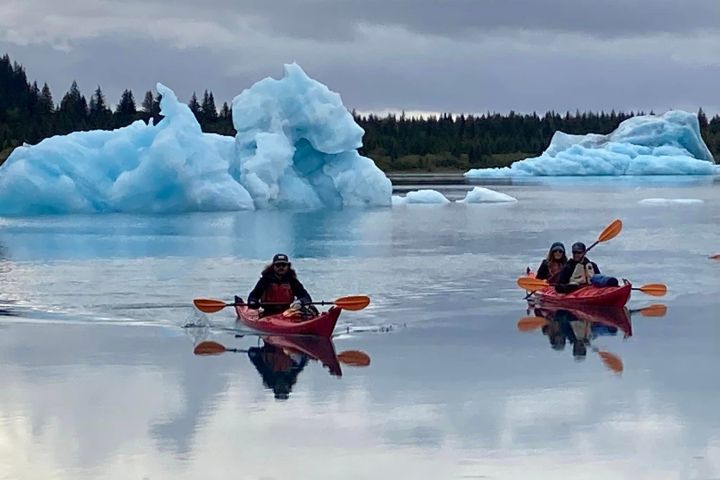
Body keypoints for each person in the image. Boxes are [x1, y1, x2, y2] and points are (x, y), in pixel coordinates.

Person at [245, 253, 314, 316]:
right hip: (268, 313)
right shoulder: (265, 280)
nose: (281, 267)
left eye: (283, 265)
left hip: (287, 312)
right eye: (278, 265)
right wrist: (253, 302)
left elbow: (306, 297)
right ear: (273, 266)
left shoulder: (292, 280)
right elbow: (253, 296)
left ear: (288, 266)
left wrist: (300, 302)